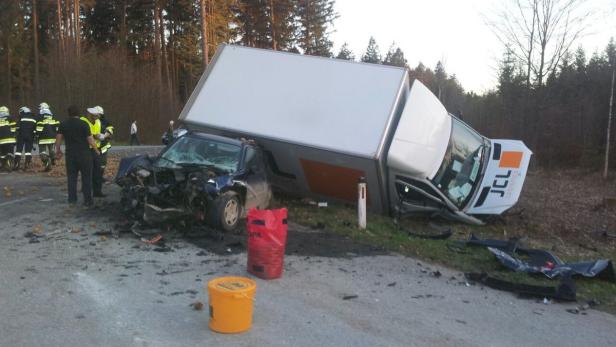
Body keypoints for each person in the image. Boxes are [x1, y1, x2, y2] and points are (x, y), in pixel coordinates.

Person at [55, 105, 98, 206]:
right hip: (84, 154)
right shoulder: (84, 124)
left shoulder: (63, 124)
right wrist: (96, 149)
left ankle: (72, 200)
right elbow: (90, 139)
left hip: (70, 155)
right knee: (86, 177)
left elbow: (58, 138)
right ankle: (87, 200)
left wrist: (58, 150)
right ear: (79, 114)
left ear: (68, 113)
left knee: (71, 178)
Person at [81, 107, 105, 197]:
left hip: (96, 149)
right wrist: (96, 136)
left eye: (98, 115)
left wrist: (100, 136)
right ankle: (86, 191)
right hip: (86, 149)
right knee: (87, 171)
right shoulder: (83, 121)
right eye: (95, 116)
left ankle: (97, 191)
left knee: (98, 171)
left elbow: (96, 133)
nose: (97, 117)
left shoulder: (98, 122)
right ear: (90, 115)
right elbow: (87, 135)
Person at [36, 102, 60, 171]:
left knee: (42, 152)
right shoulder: (53, 115)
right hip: (52, 137)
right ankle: (53, 160)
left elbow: (39, 126)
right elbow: (57, 126)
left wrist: (37, 134)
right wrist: (55, 134)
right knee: (51, 149)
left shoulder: (40, 116)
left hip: (43, 137)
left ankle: (47, 161)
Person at [14, 106, 39, 170]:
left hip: (21, 135)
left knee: (18, 151)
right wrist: (34, 134)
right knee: (28, 151)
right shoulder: (34, 118)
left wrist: (17, 132)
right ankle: (27, 165)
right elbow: (35, 129)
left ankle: (17, 165)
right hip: (30, 136)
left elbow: (17, 127)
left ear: (23, 111)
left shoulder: (21, 117)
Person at [0, 106, 16, 171]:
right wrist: (12, 134)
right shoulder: (10, 117)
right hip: (10, 139)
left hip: (1, 140)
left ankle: (3, 166)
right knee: (10, 152)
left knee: (2, 154)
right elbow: (14, 127)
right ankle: (10, 163)